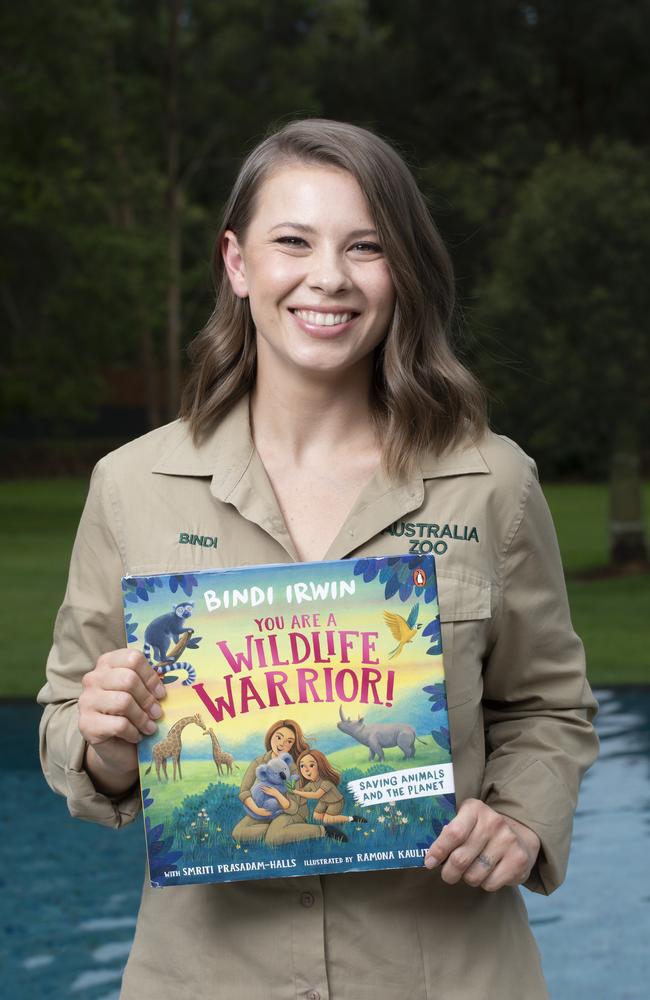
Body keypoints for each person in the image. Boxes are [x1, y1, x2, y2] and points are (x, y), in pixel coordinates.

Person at [38, 118, 599, 1000]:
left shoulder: (492, 480)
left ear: (401, 270)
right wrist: (105, 739)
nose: (328, 277)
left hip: (447, 974)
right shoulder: (130, 483)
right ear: (237, 263)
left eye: (366, 247)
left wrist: (523, 821)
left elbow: (550, 708)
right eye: (292, 241)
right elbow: (70, 721)